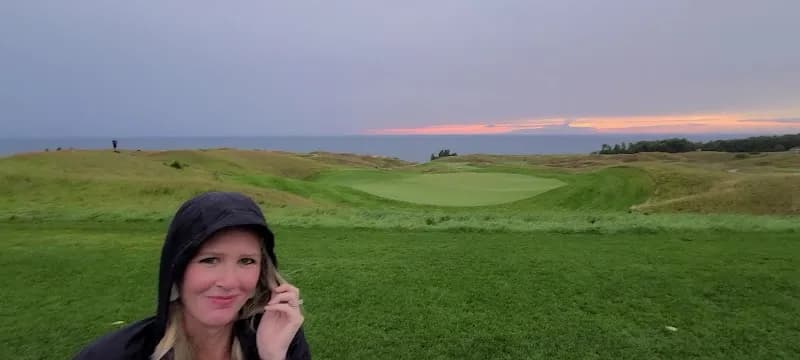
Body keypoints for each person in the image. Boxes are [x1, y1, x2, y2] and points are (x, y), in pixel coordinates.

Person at [74, 191, 311, 359]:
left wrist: (271, 356)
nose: (229, 282)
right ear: (177, 268)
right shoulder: (113, 355)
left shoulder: (280, 339)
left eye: (246, 261)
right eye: (209, 260)